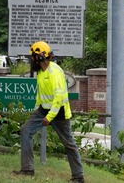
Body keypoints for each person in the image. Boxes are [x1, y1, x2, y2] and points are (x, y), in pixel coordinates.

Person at [13, 41, 84, 183]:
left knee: (68, 143)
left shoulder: (55, 72)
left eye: (33, 56)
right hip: (43, 110)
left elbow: (58, 97)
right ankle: (27, 170)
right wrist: (36, 110)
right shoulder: (40, 71)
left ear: (40, 57)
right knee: (26, 130)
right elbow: (40, 93)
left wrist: (49, 117)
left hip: (59, 112)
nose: (31, 60)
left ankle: (78, 177)